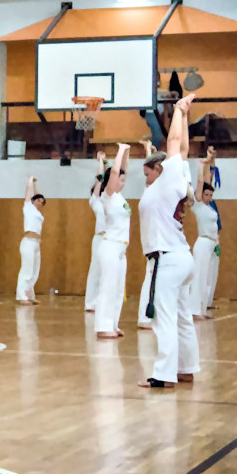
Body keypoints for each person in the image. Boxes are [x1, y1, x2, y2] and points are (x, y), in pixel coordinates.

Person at [138, 93, 199, 390]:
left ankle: (164, 374)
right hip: (180, 258)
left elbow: (175, 144)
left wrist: (177, 110)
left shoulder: (170, 178)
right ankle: (186, 368)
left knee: (164, 319)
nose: (145, 173)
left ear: (159, 168)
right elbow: (184, 146)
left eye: (148, 169)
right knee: (182, 316)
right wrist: (185, 117)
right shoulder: (179, 176)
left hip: (168, 259)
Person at [95, 143, 132, 339]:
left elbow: (123, 169)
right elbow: (116, 171)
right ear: (112, 180)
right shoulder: (107, 195)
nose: (123, 182)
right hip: (109, 245)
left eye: (124, 180)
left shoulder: (120, 197)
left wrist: (126, 152)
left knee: (118, 289)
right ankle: (102, 326)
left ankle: (113, 324)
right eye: (120, 179)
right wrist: (119, 150)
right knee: (108, 286)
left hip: (121, 249)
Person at [190, 146, 220, 321]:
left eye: (210, 195)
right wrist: (202, 165)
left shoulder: (210, 208)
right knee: (199, 277)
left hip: (211, 243)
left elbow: (209, 180)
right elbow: (202, 182)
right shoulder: (198, 205)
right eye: (206, 194)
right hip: (202, 243)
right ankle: (193, 309)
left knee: (208, 278)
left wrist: (211, 160)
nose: (208, 197)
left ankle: (201, 309)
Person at [135, 140, 156, 330]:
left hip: (157, 242)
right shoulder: (148, 192)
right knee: (150, 278)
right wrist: (148, 150)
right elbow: (149, 170)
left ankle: (151, 314)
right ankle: (143, 317)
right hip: (152, 243)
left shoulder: (156, 192)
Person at [83, 151, 108, 313]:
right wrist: (101, 162)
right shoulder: (95, 201)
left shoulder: (110, 200)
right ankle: (90, 303)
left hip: (111, 239)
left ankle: (102, 301)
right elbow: (99, 180)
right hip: (99, 238)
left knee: (107, 272)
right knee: (95, 270)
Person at [16, 176, 45, 305]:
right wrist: (30, 181)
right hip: (28, 242)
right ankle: (21, 296)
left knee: (34, 271)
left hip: (36, 243)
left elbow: (37, 195)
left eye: (42, 202)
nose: (40, 203)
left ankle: (29, 295)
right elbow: (29, 195)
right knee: (26, 270)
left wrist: (36, 185)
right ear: (34, 201)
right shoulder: (28, 208)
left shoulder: (38, 213)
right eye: (38, 200)